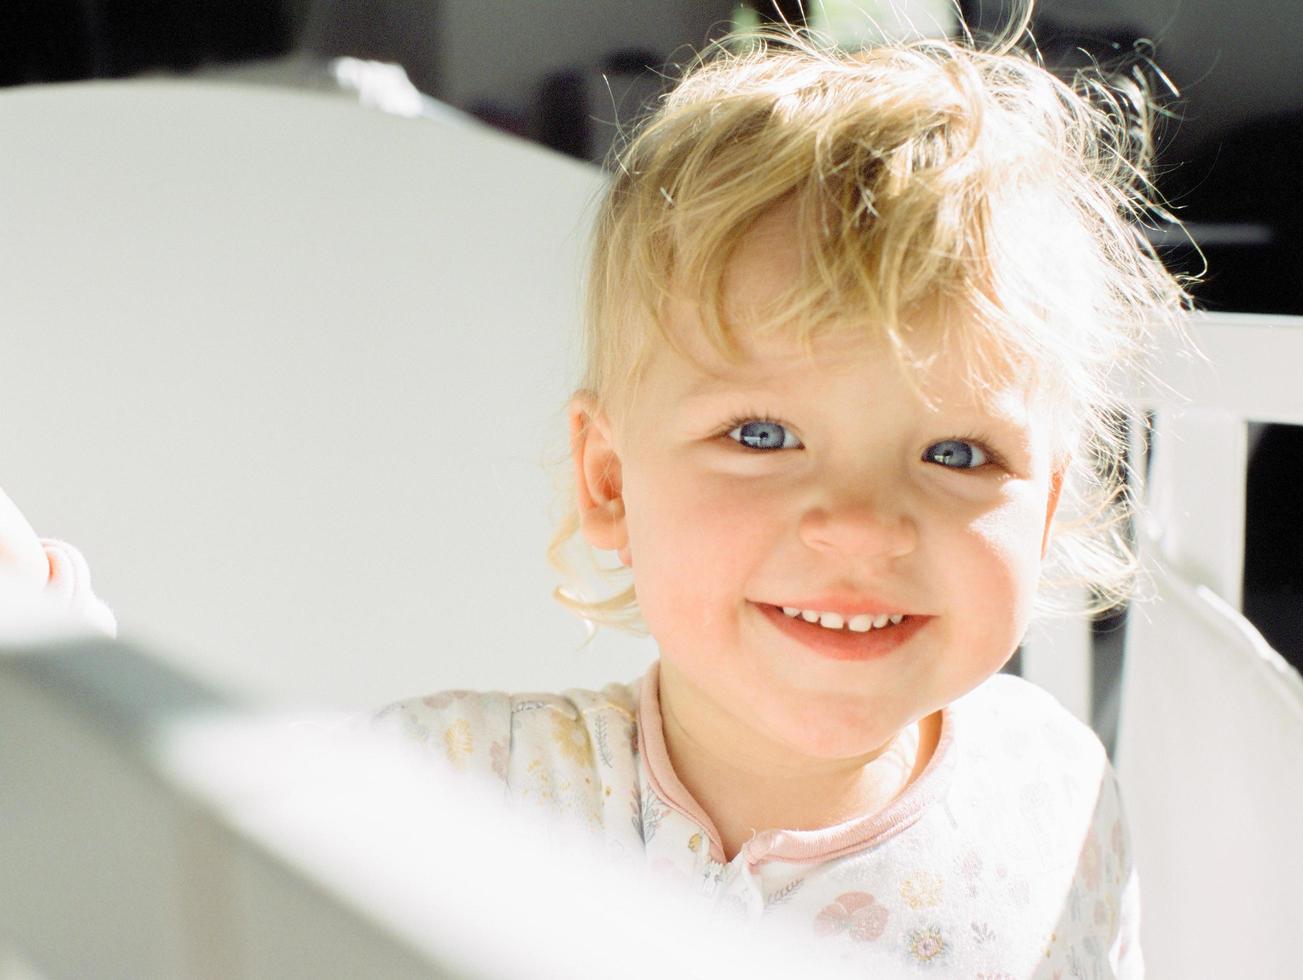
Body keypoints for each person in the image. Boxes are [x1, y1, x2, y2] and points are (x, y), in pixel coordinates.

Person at [2, 12, 1190, 977]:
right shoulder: (469, 782)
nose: (861, 524)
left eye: (958, 454)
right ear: (611, 482)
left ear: (1047, 507)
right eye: (763, 433)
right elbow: (212, 870)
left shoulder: (1056, 792)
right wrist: (53, 649)